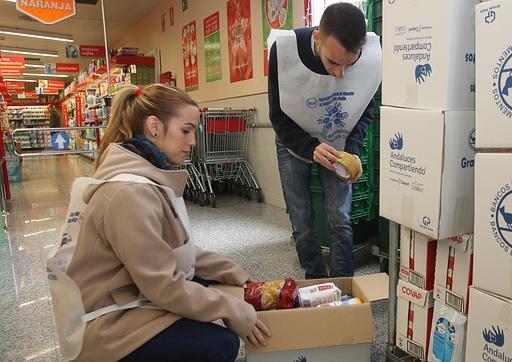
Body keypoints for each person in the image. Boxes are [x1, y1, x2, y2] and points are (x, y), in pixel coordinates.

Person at [49, 84, 270, 361]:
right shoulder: (129, 193)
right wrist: (231, 309)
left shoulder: (144, 175)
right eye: (186, 130)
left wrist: (234, 274)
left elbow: (177, 249)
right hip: (108, 326)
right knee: (219, 344)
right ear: (154, 126)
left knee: (205, 290)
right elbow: (163, 286)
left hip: (127, 298)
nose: (193, 142)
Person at [267, 3, 382, 279]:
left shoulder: (368, 58)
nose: (339, 74)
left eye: (349, 64)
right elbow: (278, 115)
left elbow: (366, 109)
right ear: (317, 37)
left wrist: (353, 150)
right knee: (302, 221)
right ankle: (315, 282)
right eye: (333, 62)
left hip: (338, 140)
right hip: (293, 141)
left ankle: (343, 284)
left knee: (340, 219)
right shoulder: (284, 52)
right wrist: (310, 148)